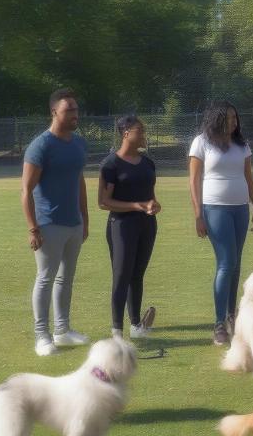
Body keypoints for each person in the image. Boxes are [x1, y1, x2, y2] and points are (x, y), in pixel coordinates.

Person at [21, 89, 89, 356]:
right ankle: (42, 336)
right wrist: (32, 228)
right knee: (46, 278)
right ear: (54, 112)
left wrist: (84, 217)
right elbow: (26, 189)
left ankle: (63, 330)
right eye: (69, 109)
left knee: (66, 279)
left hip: (73, 223)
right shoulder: (41, 145)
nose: (74, 114)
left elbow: (79, 180)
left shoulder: (78, 143)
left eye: (75, 109)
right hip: (48, 224)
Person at [189, 100, 253, 345]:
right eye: (229, 118)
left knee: (236, 265)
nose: (234, 122)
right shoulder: (202, 142)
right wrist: (198, 214)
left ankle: (233, 318)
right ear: (217, 119)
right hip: (215, 208)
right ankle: (219, 323)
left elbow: (248, 177)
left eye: (235, 118)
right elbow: (194, 180)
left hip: (240, 209)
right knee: (226, 263)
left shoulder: (242, 145)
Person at [98, 116, 160, 340]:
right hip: (121, 226)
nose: (144, 134)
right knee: (122, 275)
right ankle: (117, 331)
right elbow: (104, 202)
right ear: (125, 133)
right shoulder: (111, 164)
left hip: (147, 224)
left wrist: (153, 205)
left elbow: (150, 196)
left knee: (137, 274)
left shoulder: (148, 163)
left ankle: (136, 325)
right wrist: (136, 206)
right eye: (139, 130)